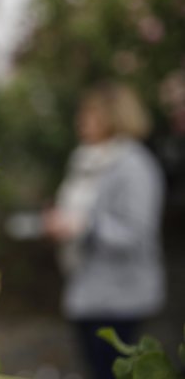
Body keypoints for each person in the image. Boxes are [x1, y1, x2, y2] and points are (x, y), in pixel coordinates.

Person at [43, 85, 166, 379]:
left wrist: (83, 226)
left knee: (112, 371)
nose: (81, 120)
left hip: (120, 298)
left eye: (90, 114)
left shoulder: (134, 166)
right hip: (86, 292)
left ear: (114, 117)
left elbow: (137, 234)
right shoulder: (86, 160)